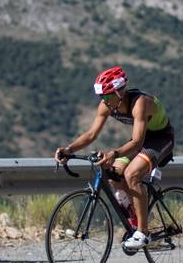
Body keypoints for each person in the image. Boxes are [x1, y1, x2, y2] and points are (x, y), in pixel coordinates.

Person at [54, 66, 174, 250]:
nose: (106, 101)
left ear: (120, 91)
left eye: (109, 96)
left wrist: (113, 153)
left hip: (160, 138)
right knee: (113, 174)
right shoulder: (107, 104)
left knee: (132, 175)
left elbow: (136, 142)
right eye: (102, 97)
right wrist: (69, 149)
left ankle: (143, 233)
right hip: (140, 139)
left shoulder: (139, 103)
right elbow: (91, 134)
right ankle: (138, 217)